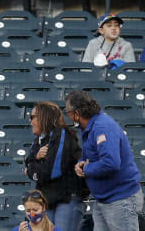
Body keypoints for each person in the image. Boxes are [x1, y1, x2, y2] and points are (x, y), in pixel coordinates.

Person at [64, 90, 143, 231]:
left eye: (68, 112)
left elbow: (111, 163)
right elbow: (91, 154)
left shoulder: (102, 127)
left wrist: (86, 169)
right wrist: (82, 162)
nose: (68, 116)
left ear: (77, 113)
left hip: (120, 199)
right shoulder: (90, 127)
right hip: (104, 200)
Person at [24, 101, 87, 231]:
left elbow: (52, 171)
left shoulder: (61, 134)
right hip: (49, 198)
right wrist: (36, 159)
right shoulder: (38, 141)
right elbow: (28, 163)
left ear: (44, 117)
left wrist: (31, 169)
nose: (30, 122)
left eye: (32, 117)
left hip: (67, 198)